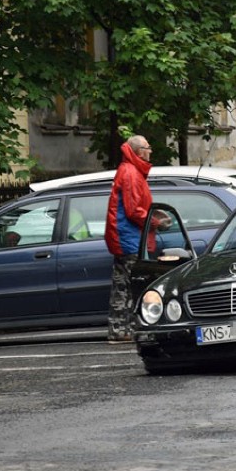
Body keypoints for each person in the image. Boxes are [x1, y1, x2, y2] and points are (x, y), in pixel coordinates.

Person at [104, 135, 156, 342]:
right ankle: (133, 330)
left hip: (123, 237)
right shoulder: (132, 173)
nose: (150, 151)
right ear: (139, 151)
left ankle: (118, 330)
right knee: (135, 285)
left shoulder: (128, 170)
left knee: (122, 286)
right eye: (148, 147)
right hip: (130, 238)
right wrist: (154, 222)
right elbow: (135, 210)